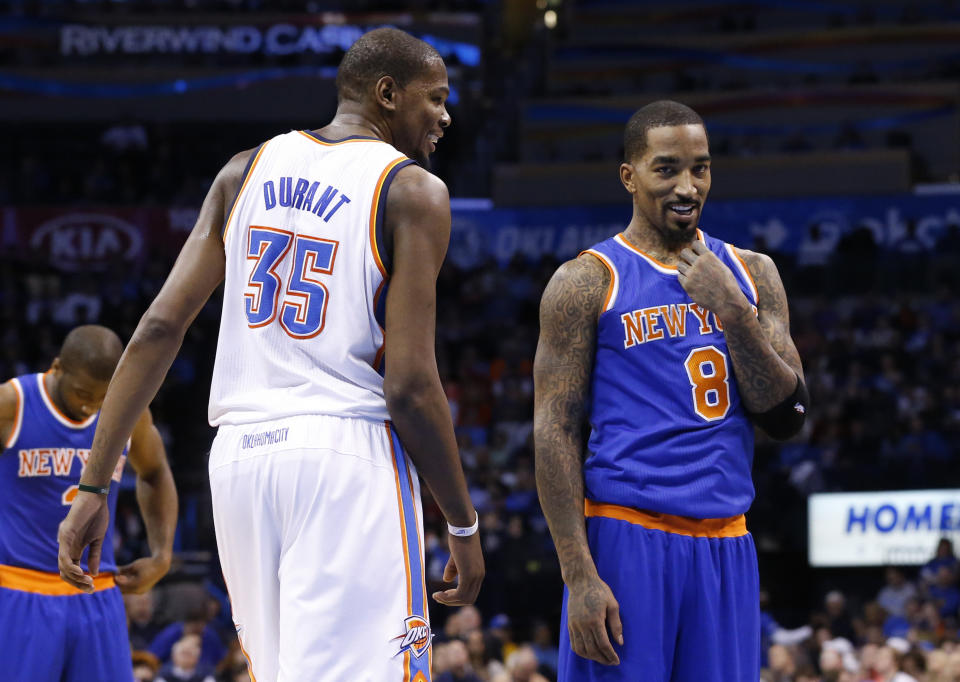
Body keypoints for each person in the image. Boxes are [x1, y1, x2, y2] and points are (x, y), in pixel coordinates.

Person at [58, 27, 483, 681]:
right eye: (436, 98)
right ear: (388, 93)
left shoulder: (243, 170)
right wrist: (460, 523)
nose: (446, 116)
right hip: (344, 455)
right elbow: (411, 387)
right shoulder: (413, 192)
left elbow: (155, 331)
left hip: (239, 465)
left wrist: (94, 483)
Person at [533, 100, 807, 681]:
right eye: (667, 169)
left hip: (726, 543)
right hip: (626, 537)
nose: (687, 186)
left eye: (700, 168)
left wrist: (734, 310)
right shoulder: (586, 280)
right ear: (629, 176)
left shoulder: (753, 273)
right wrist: (578, 574)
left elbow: (789, 415)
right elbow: (554, 429)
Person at [0, 324, 177, 682]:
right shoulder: (12, 403)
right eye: (82, 392)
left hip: (97, 594)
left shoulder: (129, 412)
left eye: (102, 398)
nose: (90, 405)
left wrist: (162, 554)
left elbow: (155, 472)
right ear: (57, 367)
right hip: (20, 588)